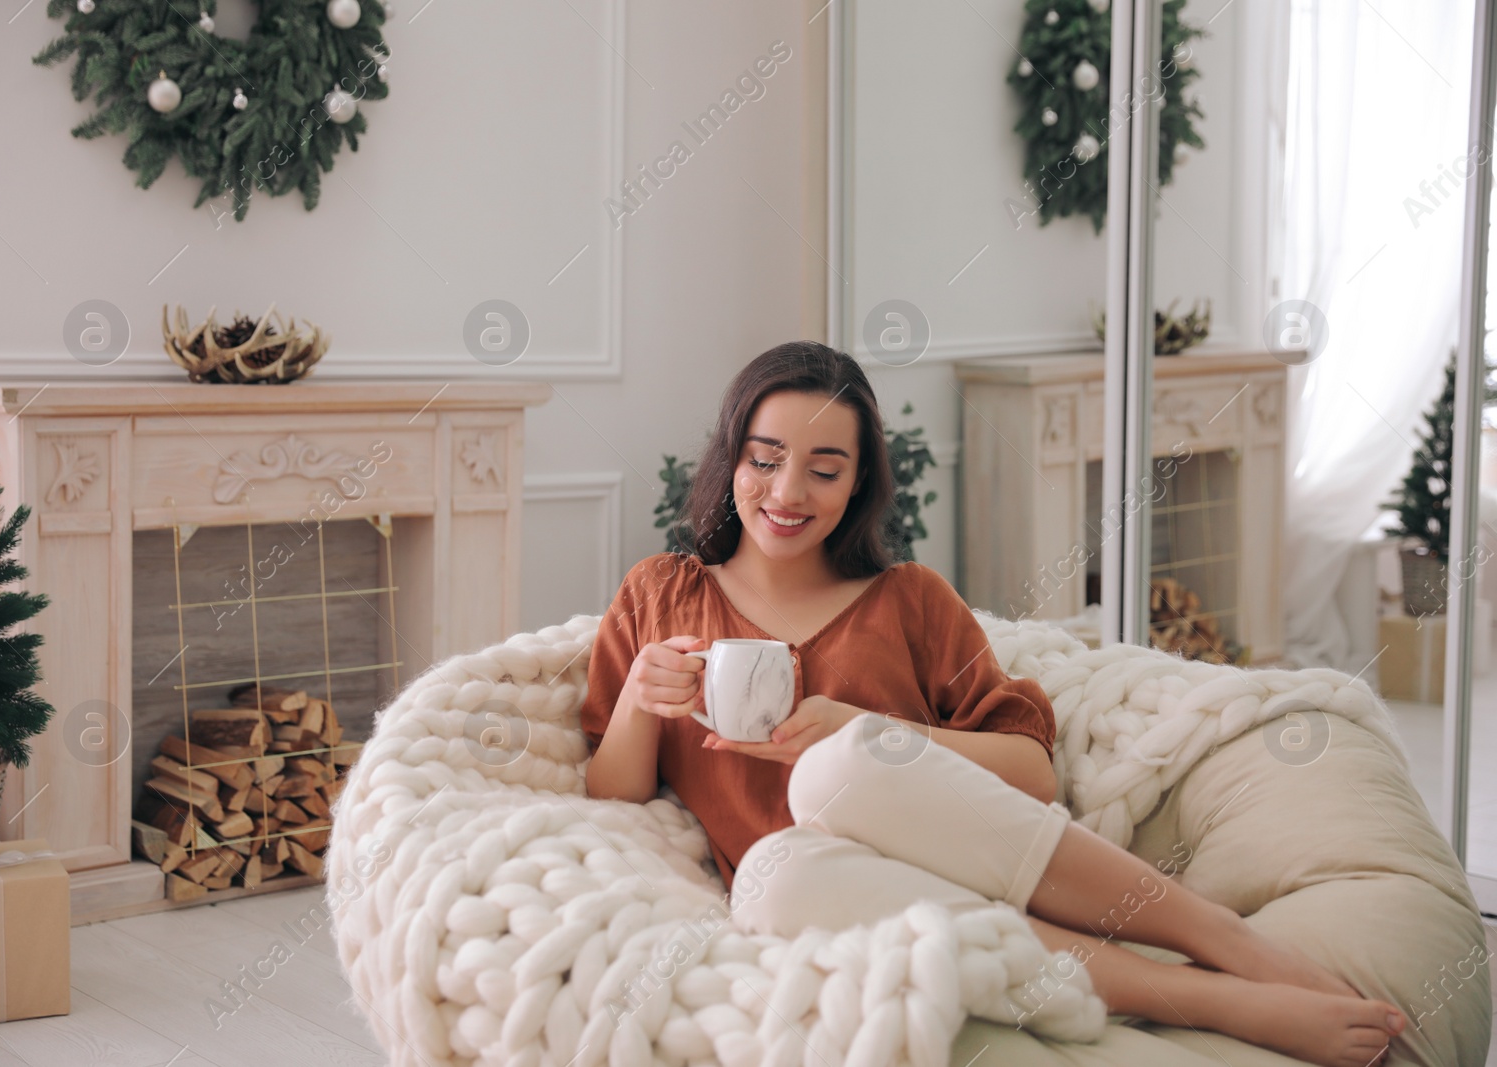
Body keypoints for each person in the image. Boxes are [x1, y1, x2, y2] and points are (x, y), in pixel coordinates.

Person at [582, 340, 1405, 1067]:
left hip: (967, 855)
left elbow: (1029, 772)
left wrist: (870, 732)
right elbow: (610, 793)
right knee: (769, 877)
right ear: (731, 460)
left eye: (824, 468)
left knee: (844, 764)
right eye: (763, 459)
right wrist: (643, 702)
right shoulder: (663, 593)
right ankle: (1198, 997)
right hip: (843, 894)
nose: (787, 490)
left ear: (859, 480)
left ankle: (1221, 939)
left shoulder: (908, 598)